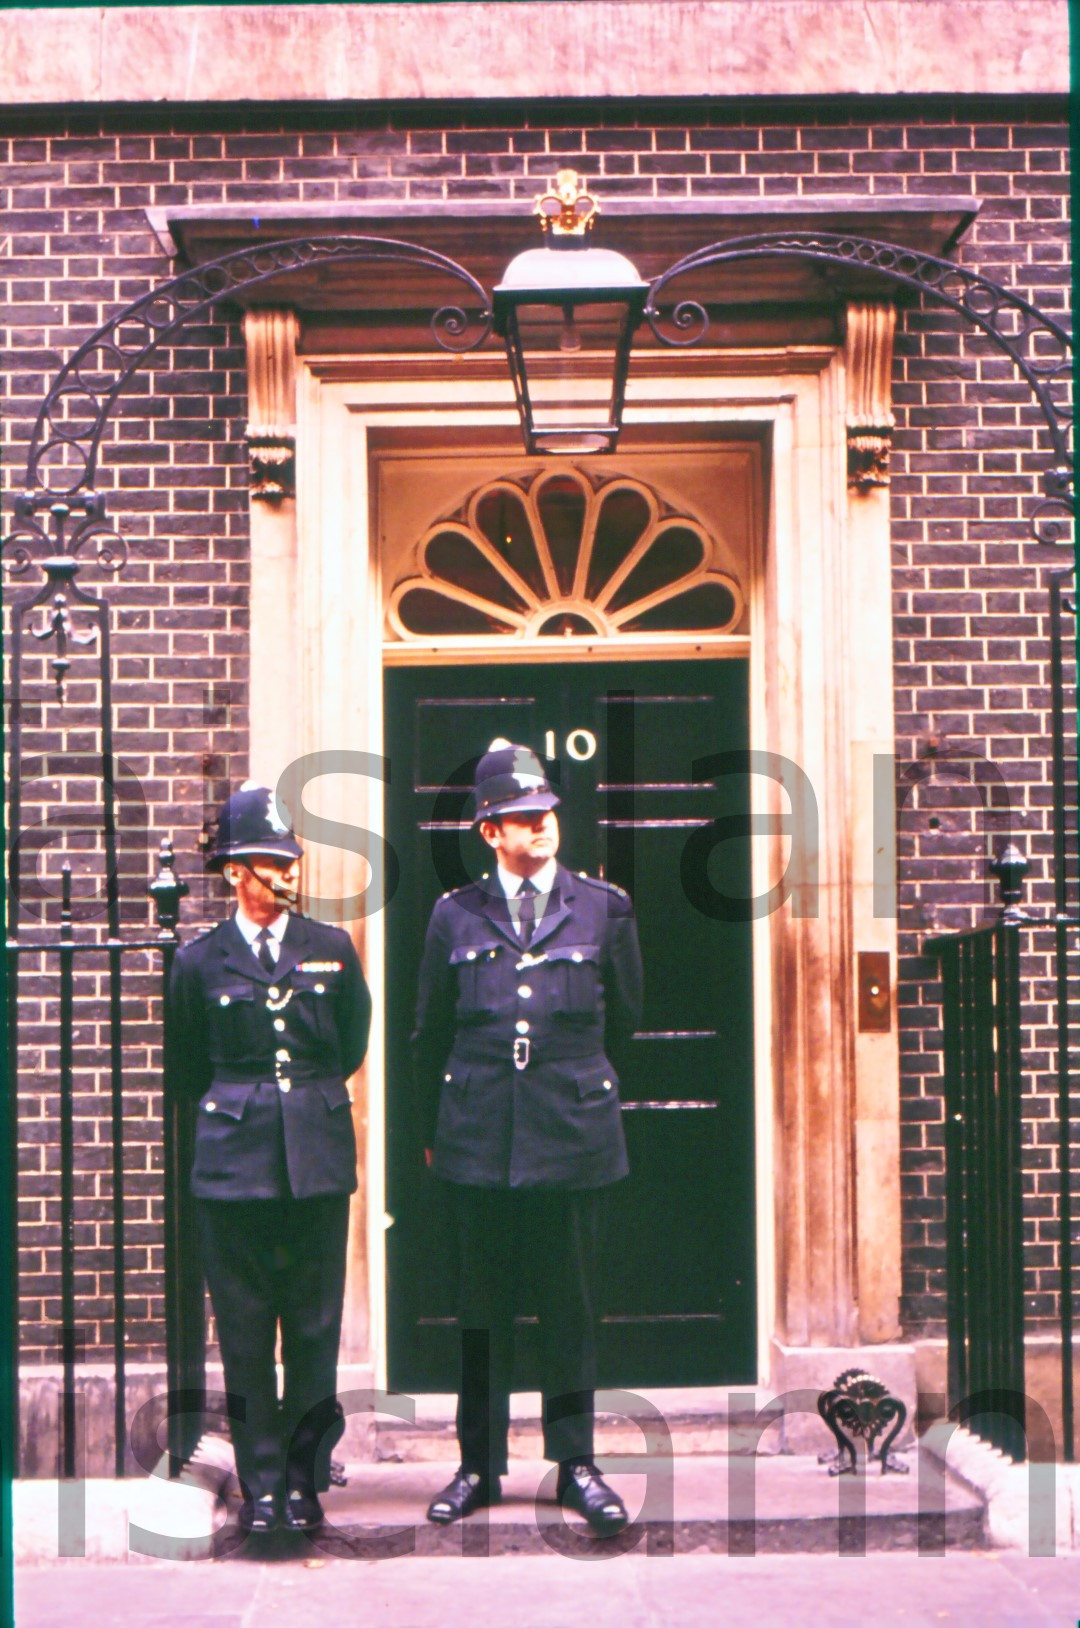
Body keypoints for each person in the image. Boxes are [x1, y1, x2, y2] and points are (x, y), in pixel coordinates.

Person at [412, 740, 643, 1537]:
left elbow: (632, 1028)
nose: (540, 827)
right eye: (520, 817)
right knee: (482, 1311)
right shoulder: (454, 916)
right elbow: (427, 1032)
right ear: (489, 832)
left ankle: (576, 1464)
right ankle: (479, 1465)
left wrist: (587, 1098)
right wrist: (434, 1136)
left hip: (574, 1136)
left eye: (546, 812)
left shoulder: (603, 907)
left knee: (570, 1308)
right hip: (478, 1138)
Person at [166, 782, 371, 1534]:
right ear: (233, 874)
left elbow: (349, 1045)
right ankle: (262, 1489)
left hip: (315, 1163)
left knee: (315, 1330)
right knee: (247, 1331)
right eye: (264, 861)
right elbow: (188, 1069)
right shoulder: (197, 963)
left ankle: (304, 1477)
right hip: (232, 1171)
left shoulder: (332, 951)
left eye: (289, 859)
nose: (284, 873)